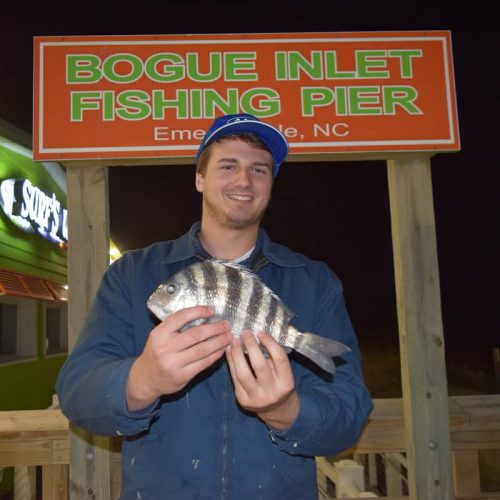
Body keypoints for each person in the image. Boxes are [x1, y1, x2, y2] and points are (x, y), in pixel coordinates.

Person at [56, 113, 373, 499]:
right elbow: (76, 393)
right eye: (228, 165)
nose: (244, 180)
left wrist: (286, 410)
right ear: (200, 178)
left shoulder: (314, 281)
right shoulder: (133, 274)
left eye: (259, 169)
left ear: (271, 184)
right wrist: (143, 380)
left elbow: (350, 412)